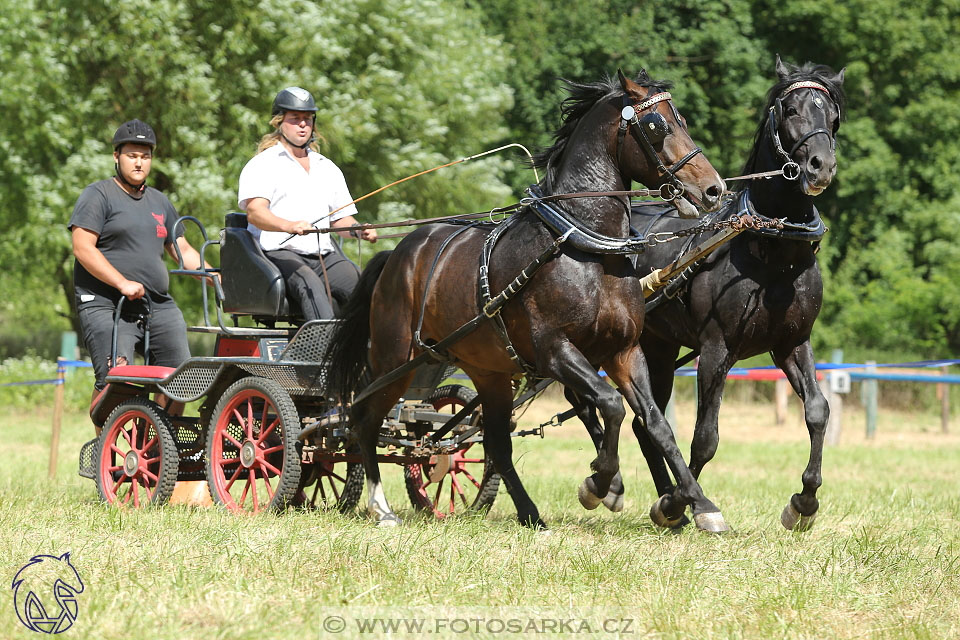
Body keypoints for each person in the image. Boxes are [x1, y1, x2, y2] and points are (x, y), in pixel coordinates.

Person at [69, 119, 209, 403]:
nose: (138, 163)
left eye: (145, 157)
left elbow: (181, 248)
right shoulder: (98, 195)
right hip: (105, 302)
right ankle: (105, 446)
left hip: (155, 302)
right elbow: (83, 248)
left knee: (180, 378)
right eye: (132, 155)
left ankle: (160, 444)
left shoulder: (160, 202)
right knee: (115, 381)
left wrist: (213, 275)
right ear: (116, 156)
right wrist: (122, 283)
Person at [237, 86, 377, 320]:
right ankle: (322, 352)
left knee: (366, 289)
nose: (303, 124)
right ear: (279, 122)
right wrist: (289, 226)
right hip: (279, 253)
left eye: (307, 119)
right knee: (310, 286)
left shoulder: (327, 167)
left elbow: (340, 219)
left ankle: (370, 350)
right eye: (295, 119)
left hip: (323, 254)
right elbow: (255, 213)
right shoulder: (263, 164)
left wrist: (357, 230)